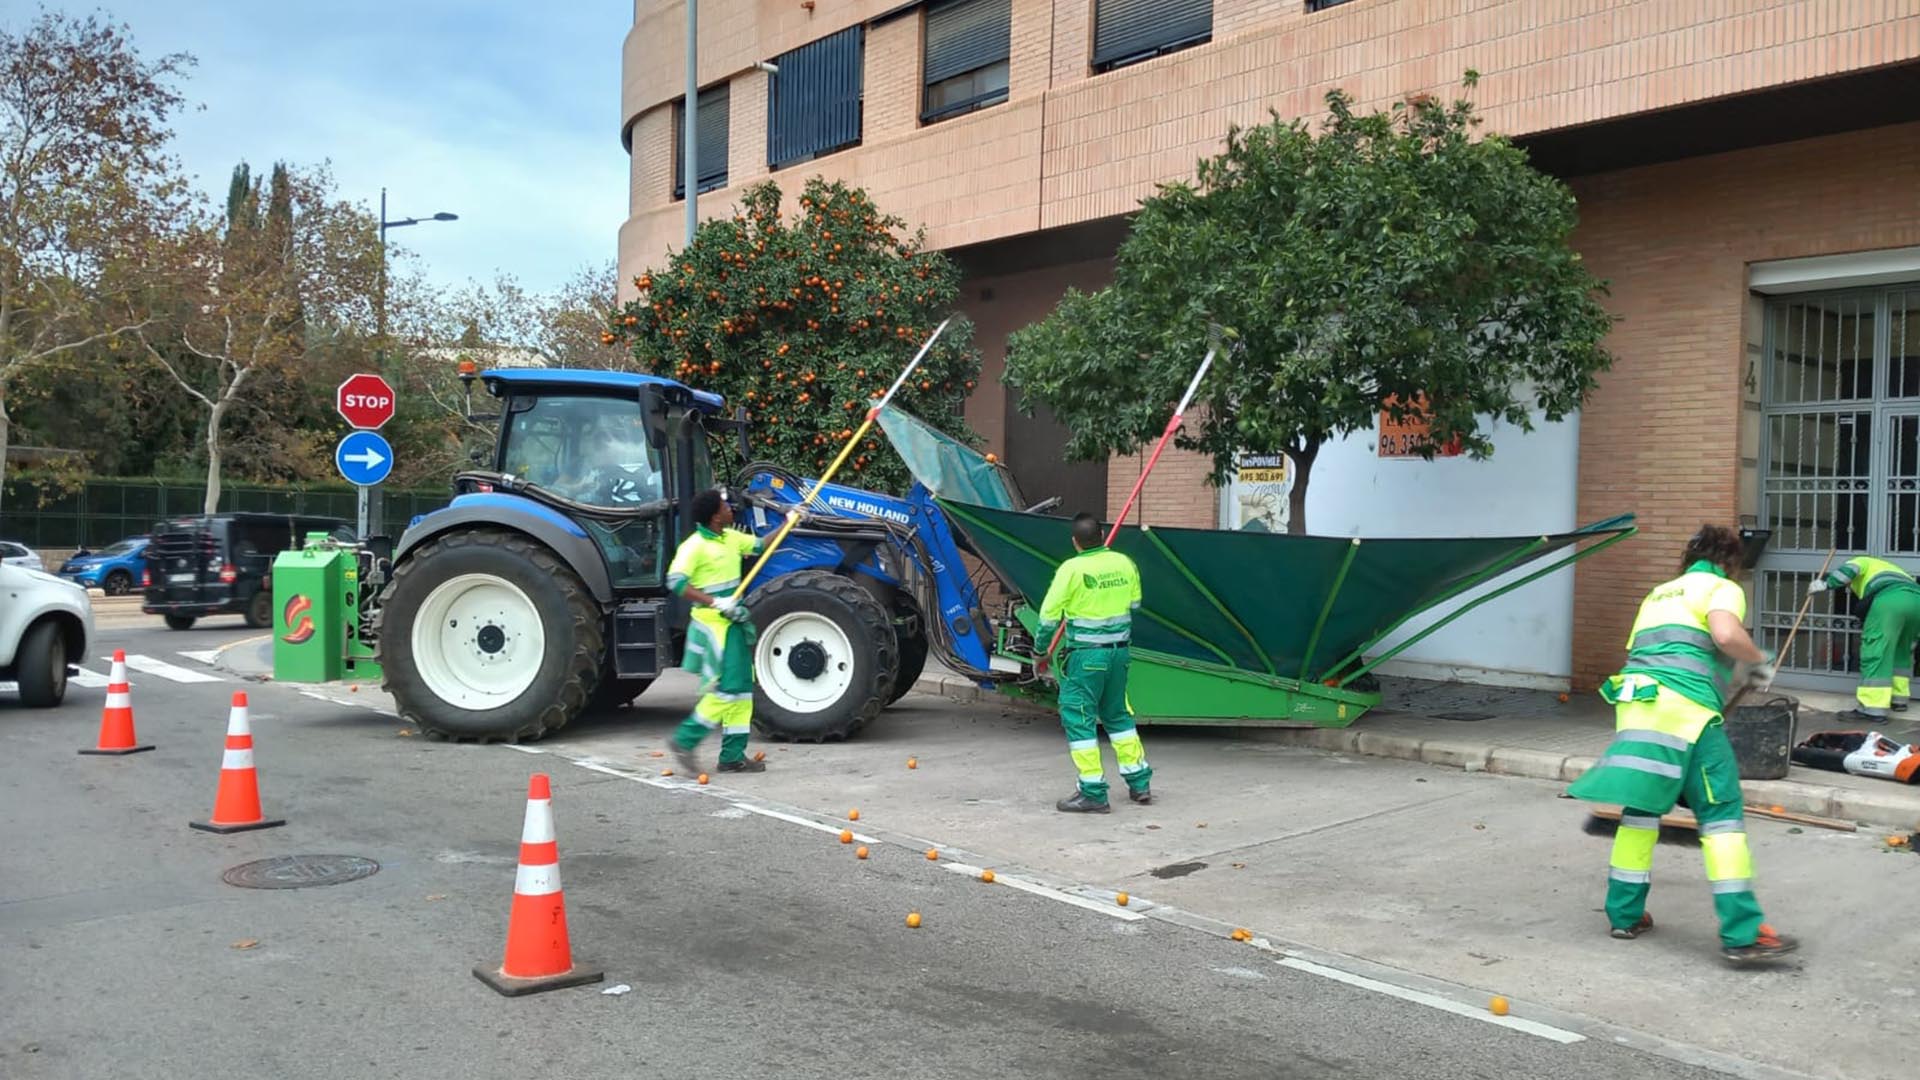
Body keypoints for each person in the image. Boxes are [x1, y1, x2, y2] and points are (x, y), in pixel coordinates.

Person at [1567, 524, 1798, 965]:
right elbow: (1725, 636)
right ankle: (1742, 932)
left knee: (1640, 811)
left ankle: (1624, 915)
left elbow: (1669, 651)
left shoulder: (1658, 594)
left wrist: (1733, 672)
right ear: (1729, 561)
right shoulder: (1721, 587)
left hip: (1638, 707)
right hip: (1686, 716)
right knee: (1722, 815)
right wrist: (1758, 660)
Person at [1035, 512, 1153, 813]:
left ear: (1075, 542)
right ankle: (1139, 781)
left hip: (1087, 656)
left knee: (1078, 717)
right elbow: (1135, 604)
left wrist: (1041, 651)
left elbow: (1048, 618)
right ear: (1101, 536)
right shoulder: (1125, 563)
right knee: (1118, 715)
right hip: (1120, 653)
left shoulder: (1071, 569)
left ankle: (1093, 792)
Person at [666, 489, 766, 775]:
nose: (729, 508)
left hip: (734, 624)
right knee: (728, 689)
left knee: (742, 691)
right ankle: (685, 740)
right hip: (714, 627)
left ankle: (732, 756)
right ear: (714, 517)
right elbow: (676, 582)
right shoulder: (694, 546)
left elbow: (761, 545)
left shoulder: (731, 537)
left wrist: (791, 520)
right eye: (724, 506)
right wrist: (715, 601)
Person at [1808, 555, 1920, 721]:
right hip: (1916, 601)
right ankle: (1899, 700)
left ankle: (1872, 708)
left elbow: (1849, 570)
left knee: (1875, 651)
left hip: (1891, 600)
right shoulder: (1891, 569)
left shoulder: (1860, 561)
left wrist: (1825, 584)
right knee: (1901, 651)